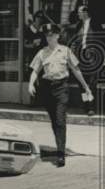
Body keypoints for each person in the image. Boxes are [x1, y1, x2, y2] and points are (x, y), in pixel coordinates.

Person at [28, 24, 93, 167]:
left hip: (62, 88)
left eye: (51, 35)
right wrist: (30, 84)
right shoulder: (42, 53)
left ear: (57, 36)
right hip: (47, 89)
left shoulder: (66, 51)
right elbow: (35, 70)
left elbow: (76, 70)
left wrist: (86, 87)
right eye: (47, 35)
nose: (49, 38)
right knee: (54, 121)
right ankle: (59, 146)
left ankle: (61, 154)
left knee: (60, 120)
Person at [66, 3, 105, 117]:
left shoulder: (96, 24)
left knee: (92, 83)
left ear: (85, 13)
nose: (78, 15)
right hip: (81, 57)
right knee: (82, 83)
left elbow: (104, 40)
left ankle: (91, 107)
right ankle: (86, 104)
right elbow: (76, 39)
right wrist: (73, 45)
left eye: (79, 12)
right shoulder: (79, 25)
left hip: (93, 57)